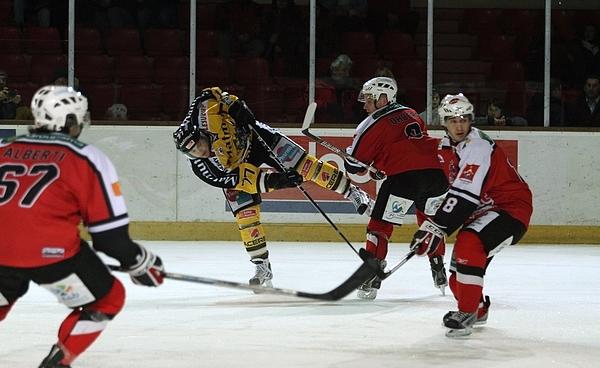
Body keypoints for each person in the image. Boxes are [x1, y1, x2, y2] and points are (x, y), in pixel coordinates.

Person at [0, 85, 166, 368]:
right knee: (107, 298)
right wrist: (140, 262)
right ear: (72, 120)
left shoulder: (3, 146)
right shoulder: (86, 156)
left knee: (3, 293)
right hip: (51, 257)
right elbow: (109, 238)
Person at [173, 86, 372, 288]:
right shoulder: (206, 169)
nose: (200, 152)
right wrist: (280, 181)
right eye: (193, 153)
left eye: (199, 146)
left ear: (201, 134)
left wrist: (234, 105)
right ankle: (262, 265)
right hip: (239, 168)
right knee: (245, 214)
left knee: (306, 165)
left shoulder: (202, 112)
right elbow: (249, 180)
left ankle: (353, 192)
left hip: (257, 137)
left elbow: (212, 93)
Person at [410, 93, 532, 337]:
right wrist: (431, 225)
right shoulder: (447, 147)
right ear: (444, 123)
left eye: (464, 120)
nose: (459, 126)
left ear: (470, 120)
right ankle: (477, 308)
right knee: (458, 278)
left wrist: (437, 228)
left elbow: (465, 195)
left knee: (469, 242)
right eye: (453, 121)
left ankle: (466, 313)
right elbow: (450, 192)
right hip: (484, 211)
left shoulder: (477, 146)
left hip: (509, 208)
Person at [345, 77, 450, 300]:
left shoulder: (372, 123)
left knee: (379, 226)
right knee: (430, 224)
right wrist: (381, 167)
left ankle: (371, 275)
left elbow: (355, 167)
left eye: (369, 100)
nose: (365, 105)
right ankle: (438, 266)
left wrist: (349, 157)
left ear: (383, 99)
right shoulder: (411, 113)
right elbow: (409, 146)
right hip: (436, 177)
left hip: (404, 180)